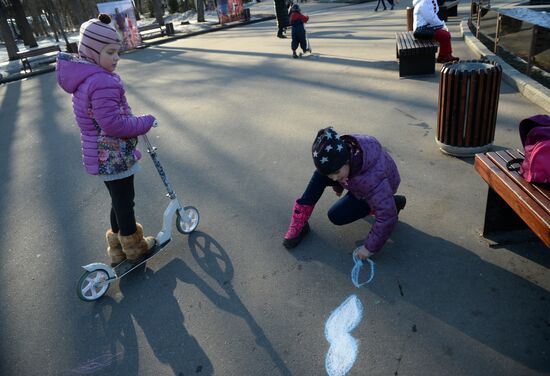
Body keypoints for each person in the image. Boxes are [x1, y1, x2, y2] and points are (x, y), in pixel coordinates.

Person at [56, 14, 156, 266]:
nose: (116, 58)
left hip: (101, 154)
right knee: (125, 202)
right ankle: (134, 247)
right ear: (91, 52)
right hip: (114, 154)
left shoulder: (85, 78)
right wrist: (144, 122)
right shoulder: (101, 81)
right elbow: (113, 123)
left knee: (118, 200)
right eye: (110, 52)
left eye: (117, 52)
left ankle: (117, 247)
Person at [282, 127, 406, 259]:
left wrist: (369, 248)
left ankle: (394, 202)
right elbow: (336, 172)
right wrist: (340, 181)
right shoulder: (345, 150)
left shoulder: (373, 180)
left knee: (337, 215)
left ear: (347, 160)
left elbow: (387, 216)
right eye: (331, 175)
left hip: (370, 191)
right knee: (320, 175)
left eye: (336, 174)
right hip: (354, 179)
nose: (334, 178)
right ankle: (300, 222)